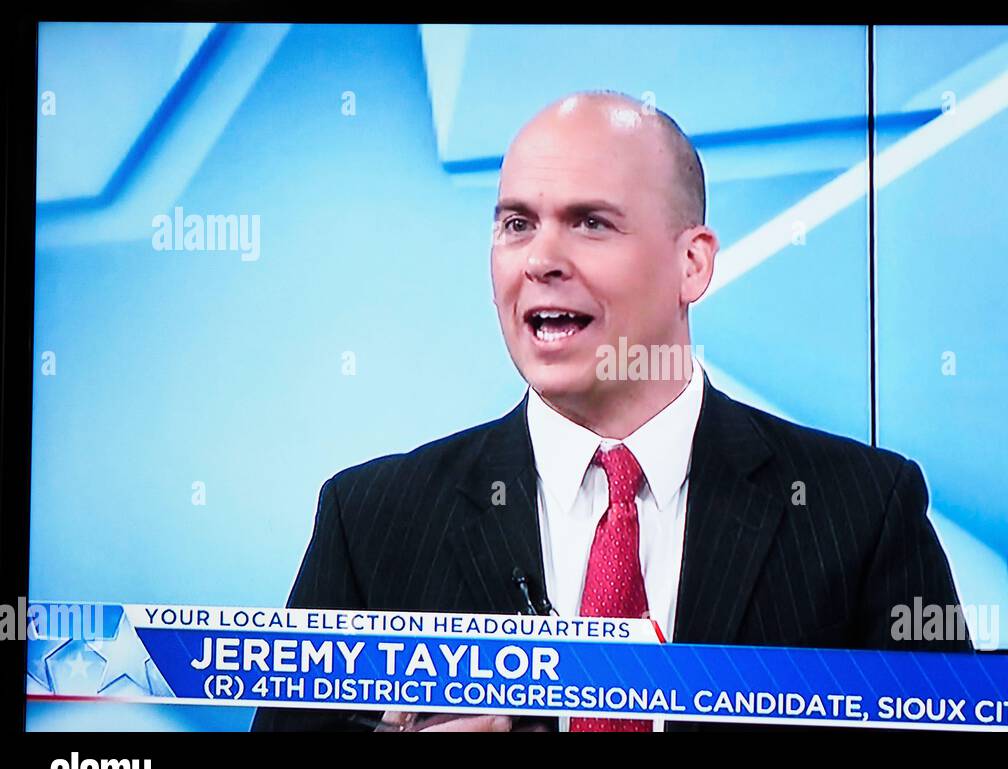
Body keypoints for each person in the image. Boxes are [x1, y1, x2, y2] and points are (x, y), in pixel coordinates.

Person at [252, 90, 969, 733]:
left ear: (692, 264)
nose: (541, 259)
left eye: (589, 223)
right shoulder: (374, 520)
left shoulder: (860, 510)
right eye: (516, 224)